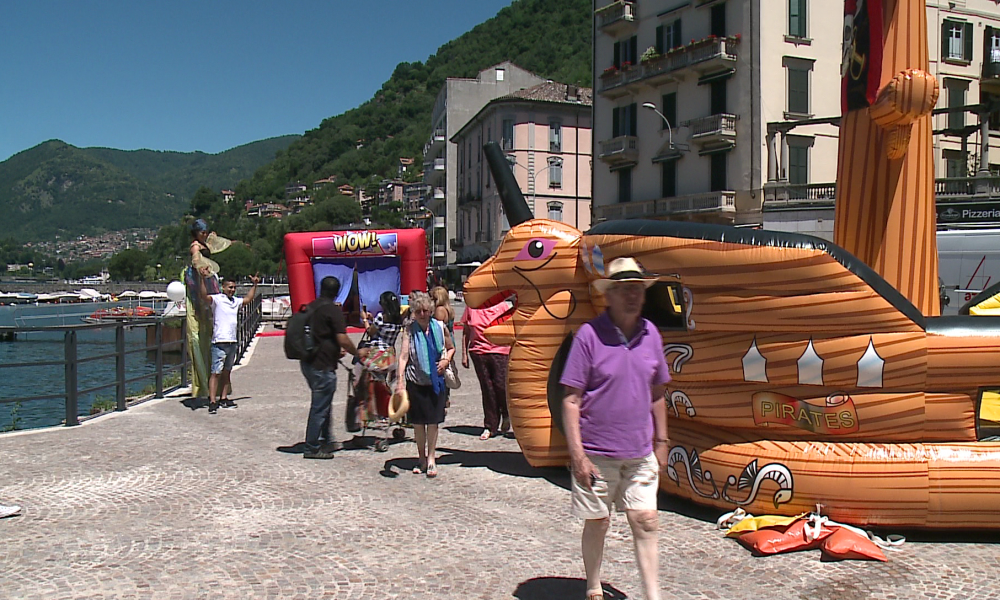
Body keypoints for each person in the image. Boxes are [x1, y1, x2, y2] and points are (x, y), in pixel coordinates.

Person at [559, 257, 670, 600]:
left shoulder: (652, 334)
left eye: (637, 289)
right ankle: (593, 585)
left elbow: (657, 393)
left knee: (646, 520)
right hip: (596, 453)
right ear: (609, 295)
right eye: (624, 290)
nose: (633, 296)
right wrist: (577, 455)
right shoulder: (589, 336)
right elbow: (571, 400)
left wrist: (662, 441)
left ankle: (654, 596)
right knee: (598, 521)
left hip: (639, 453)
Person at [299, 276, 366, 459]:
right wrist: (356, 352)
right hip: (322, 365)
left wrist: (335, 351)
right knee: (320, 407)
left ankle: (326, 439)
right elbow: (342, 338)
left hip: (308, 362)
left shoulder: (311, 307)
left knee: (324, 404)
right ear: (337, 292)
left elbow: (320, 336)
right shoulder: (332, 310)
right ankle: (312, 447)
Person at [395, 291, 455, 477]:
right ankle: (421, 458)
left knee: (433, 423)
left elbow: (451, 347)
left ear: (430, 310)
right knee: (418, 424)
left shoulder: (439, 326)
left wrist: (445, 361)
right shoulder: (409, 330)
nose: (422, 314)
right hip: (416, 382)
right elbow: (404, 357)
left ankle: (431, 458)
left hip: (436, 382)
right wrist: (400, 381)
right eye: (418, 311)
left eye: (425, 310)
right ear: (413, 312)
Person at [184, 219, 232, 399]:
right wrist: (201, 267)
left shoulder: (206, 243)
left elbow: (219, 242)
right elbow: (196, 258)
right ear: (196, 233)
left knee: (212, 336)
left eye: (205, 232)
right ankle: (205, 385)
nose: (204, 234)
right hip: (200, 290)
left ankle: (216, 387)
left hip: (208, 288)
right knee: (201, 337)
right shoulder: (196, 247)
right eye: (202, 232)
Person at [198, 272, 260, 414]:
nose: (232, 290)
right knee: (215, 373)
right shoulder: (217, 299)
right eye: (230, 287)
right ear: (223, 287)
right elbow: (204, 296)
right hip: (219, 341)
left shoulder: (235, 301)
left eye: (234, 287)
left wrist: (254, 285)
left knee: (227, 372)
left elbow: (248, 300)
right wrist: (202, 279)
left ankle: (224, 398)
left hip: (232, 341)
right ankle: (212, 401)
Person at [460, 301, 513, 440]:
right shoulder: (472, 307)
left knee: (501, 385)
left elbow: (511, 329)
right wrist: (464, 354)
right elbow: (466, 331)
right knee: (487, 389)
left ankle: (506, 413)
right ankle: (490, 425)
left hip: (500, 350)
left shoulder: (503, 306)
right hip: (478, 351)